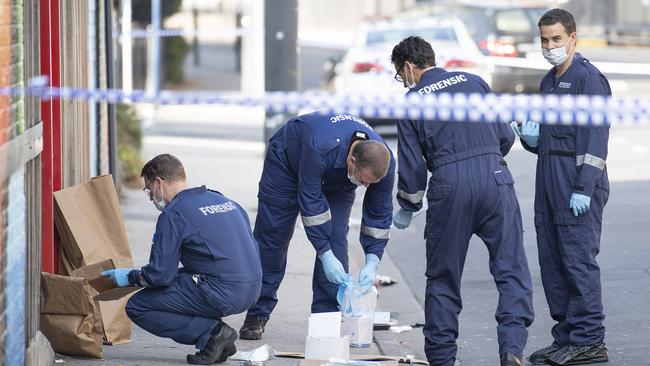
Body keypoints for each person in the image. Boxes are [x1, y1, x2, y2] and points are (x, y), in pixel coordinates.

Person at [390, 36, 534, 366]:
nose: (404, 82)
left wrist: (409, 205)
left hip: (449, 185)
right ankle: (511, 348)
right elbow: (505, 135)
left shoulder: (412, 101)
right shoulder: (474, 82)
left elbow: (412, 168)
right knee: (511, 269)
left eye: (401, 75)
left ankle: (442, 359)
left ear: (409, 67)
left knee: (443, 277)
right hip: (495, 178)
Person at [510, 9, 611, 366]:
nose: (550, 46)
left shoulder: (589, 80)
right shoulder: (548, 82)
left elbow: (596, 140)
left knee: (577, 260)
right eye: (544, 40)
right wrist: (530, 140)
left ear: (572, 38)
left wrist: (584, 186)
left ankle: (589, 339)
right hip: (548, 178)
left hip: (576, 182)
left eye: (556, 39)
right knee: (553, 261)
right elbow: (548, 137)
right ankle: (566, 336)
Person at [238, 111, 395, 340]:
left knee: (336, 239)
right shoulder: (321, 146)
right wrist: (323, 252)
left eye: (370, 183)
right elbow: (310, 202)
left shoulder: (384, 163)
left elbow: (380, 213)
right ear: (352, 161)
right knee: (273, 238)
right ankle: (257, 313)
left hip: (336, 178)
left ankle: (326, 321)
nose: (364, 186)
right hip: (287, 164)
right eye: (362, 181)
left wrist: (373, 259)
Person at [101, 154, 262, 365]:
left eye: (149, 190)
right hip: (253, 290)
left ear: (159, 182)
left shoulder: (174, 214)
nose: (151, 197)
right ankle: (219, 343)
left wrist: (131, 276)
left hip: (224, 292)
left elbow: (159, 275)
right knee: (184, 277)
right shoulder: (224, 200)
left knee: (139, 306)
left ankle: (213, 333)